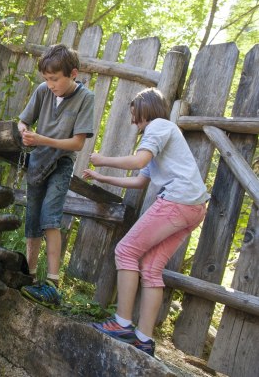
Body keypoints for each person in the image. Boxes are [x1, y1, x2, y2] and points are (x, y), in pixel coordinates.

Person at [83, 88, 209, 357]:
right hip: (194, 207)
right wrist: (101, 178)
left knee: (125, 251)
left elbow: (139, 159)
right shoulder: (164, 134)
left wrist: (103, 159)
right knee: (151, 267)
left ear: (146, 109)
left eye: (134, 114)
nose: (132, 121)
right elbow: (140, 181)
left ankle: (122, 323)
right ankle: (144, 339)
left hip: (178, 201)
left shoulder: (159, 126)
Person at [18, 43, 94, 308]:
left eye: (54, 79)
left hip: (61, 163)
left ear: (72, 73)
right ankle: (27, 275)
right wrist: (24, 132)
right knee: (33, 217)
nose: (50, 84)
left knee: (50, 217)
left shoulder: (86, 98)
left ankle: (51, 282)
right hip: (38, 161)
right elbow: (23, 120)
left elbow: (77, 144)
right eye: (46, 79)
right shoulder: (42, 92)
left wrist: (42, 139)